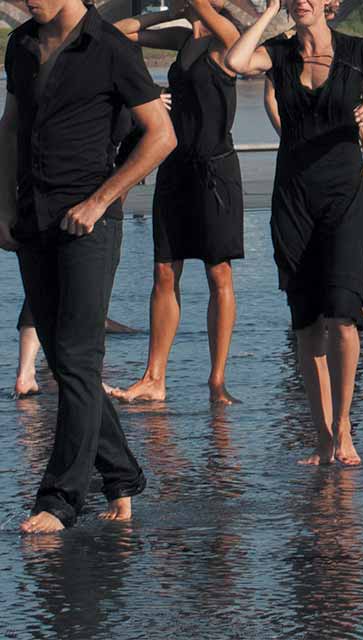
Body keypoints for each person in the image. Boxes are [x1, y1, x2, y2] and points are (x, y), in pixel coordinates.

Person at [0, 0, 177, 533]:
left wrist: (102, 200)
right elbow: (9, 128)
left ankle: (60, 500)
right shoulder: (22, 44)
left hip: (89, 224)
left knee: (76, 359)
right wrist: (3, 208)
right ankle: (120, 474)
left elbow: (161, 135)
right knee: (63, 356)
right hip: (32, 217)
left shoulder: (110, 48)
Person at [226, 0, 363, 466]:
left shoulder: (359, 54)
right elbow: (235, 61)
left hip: (344, 198)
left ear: (330, 3)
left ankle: (344, 428)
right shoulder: (279, 54)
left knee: (342, 314)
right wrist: (269, 12)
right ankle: (322, 437)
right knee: (305, 324)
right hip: (293, 199)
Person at [107, 0, 243, 406]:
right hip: (175, 167)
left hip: (216, 173)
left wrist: (194, 7)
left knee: (218, 275)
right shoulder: (186, 37)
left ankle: (217, 381)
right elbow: (121, 31)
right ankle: (154, 378)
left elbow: (233, 41)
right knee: (164, 272)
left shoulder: (228, 36)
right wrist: (171, 13)